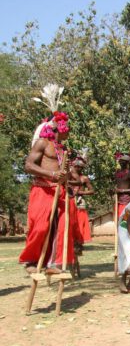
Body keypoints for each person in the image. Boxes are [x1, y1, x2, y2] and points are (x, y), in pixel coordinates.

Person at [19, 84, 78, 275]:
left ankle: (53, 263)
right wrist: (52, 175)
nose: (68, 131)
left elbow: (66, 173)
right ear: (57, 128)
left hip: (59, 192)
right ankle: (31, 260)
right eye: (65, 128)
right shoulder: (42, 143)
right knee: (41, 226)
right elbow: (28, 166)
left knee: (61, 227)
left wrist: (66, 177)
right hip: (42, 189)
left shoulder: (64, 150)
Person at [70, 150, 94, 253]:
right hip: (69, 202)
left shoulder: (84, 178)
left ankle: (79, 243)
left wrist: (80, 193)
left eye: (80, 167)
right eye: (76, 166)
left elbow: (92, 190)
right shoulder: (68, 176)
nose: (78, 169)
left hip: (79, 203)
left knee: (79, 224)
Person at [114, 152, 130, 218]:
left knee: (125, 221)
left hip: (126, 202)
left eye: (123, 161)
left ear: (127, 163)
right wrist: (112, 191)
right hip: (117, 202)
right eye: (120, 161)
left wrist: (122, 191)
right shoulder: (117, 172)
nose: (121, 163)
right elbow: (116, 186)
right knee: (118, 221)